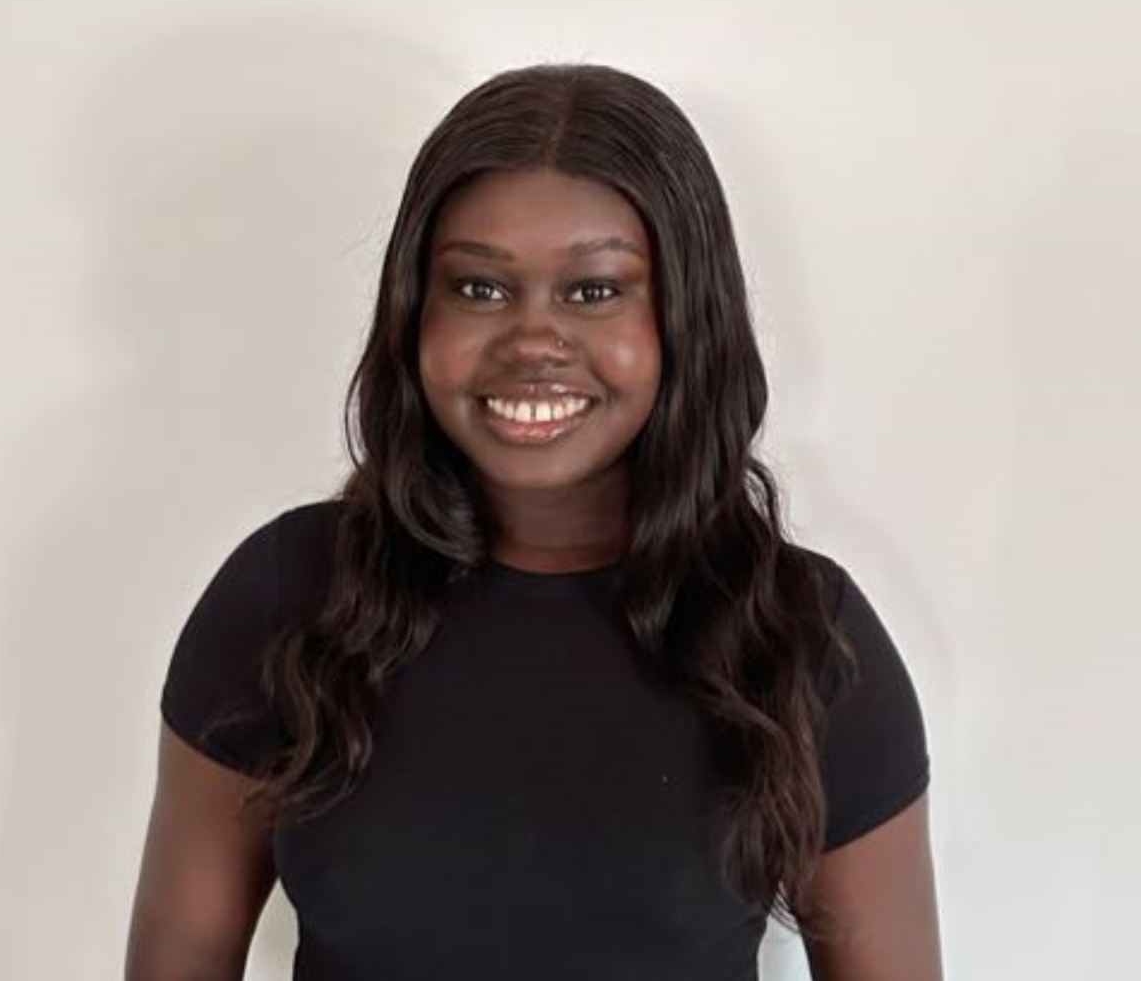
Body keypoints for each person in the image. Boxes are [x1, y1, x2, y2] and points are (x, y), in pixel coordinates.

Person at [126, 62, 943, 981]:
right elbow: (180, 960)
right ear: (412, 312)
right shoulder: (287, 595)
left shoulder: (799, 633)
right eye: (478, 288)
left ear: (685, 315)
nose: (531, 342)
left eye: (594, 291)